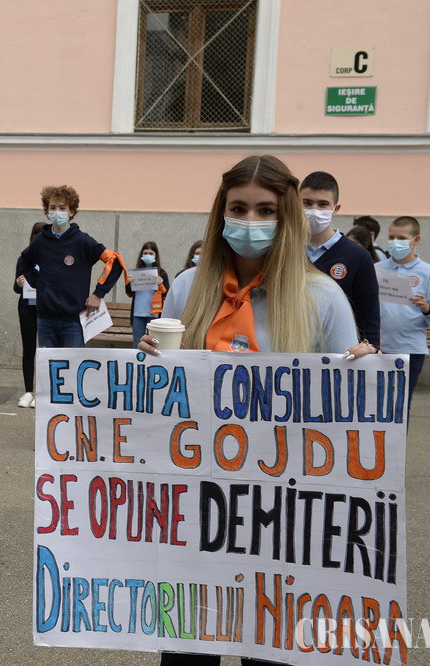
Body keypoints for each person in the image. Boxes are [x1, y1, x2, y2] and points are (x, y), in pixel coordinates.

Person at [140, 155, 376, 666]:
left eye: (266, 210)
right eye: (238, 208)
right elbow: (160, 405)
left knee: (268, 651)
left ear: (286, 216)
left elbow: (348, 419)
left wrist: (364, 374)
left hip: (280, 513)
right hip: (194, 506)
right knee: (186, 651)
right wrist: (148, 369)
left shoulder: (324, 299)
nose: (250, 221)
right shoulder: (186, 289)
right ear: (220, 214)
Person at [18, 185, 125, 348]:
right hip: (45, 320)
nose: (57, 212)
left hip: (74, 322)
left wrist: (98, 293)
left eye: (62, 208)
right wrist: (38, 283)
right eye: (53, 207)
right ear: (47, 211)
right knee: (49, 364)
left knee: (73, 364)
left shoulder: (83, 241)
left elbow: (114, 261)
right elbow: (24, 261)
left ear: (71, 212)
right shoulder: (39, 241)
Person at [301, 171, 380, 347]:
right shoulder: (285, 249)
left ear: (335, 209)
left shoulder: (358, 256)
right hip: (289, 349)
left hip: (339, 351)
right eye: (307, 203)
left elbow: (369, 314)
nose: (314, 210)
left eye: (323, 204)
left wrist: (371, 349)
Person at [376, 215, 430, 406]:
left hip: (410, 350)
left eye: (401, 238)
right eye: (391, 237)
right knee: (376, 404)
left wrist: (427, 308)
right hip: (379, 348)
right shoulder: (377, 269)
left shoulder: (428, 273)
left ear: (416, 240)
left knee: (400, 405)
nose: (395, 242)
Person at [13, 222, 47, 408]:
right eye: (36, 235)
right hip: (27, 310)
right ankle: (28, 391)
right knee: (29, 350)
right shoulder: (24, 258)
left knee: (44, 351)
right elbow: (16, 287)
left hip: (46, 310)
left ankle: (42, 392)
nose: (38, 239)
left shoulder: (50, 258)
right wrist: (19, 283)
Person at [124, 240, 169, 343]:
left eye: (151, 253)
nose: (148, 256)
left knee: (154, 343)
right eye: (145, 253)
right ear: (141, 255)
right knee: (137, 343)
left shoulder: (162, 273)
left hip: (154, 314)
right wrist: (128, 283)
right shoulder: (135, 273)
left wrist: (160, 284)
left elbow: (166, 295)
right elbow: (129, 293)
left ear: (156, 255)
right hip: (138, 313)